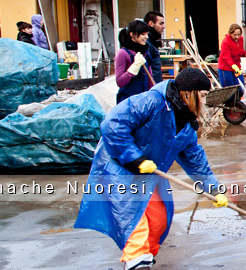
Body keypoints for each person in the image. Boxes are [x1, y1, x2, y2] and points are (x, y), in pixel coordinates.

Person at [74, 68, 229, 270]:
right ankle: (136, 259)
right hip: (121, 167)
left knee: (159, 219)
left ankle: (144, 256)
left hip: (150, 172)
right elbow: (112, 125)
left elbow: (195, 160)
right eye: (202, 96)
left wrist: (213, 189)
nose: (204, 102)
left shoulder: (186, 125)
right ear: (189, 93)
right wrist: (135, 158)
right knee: (133, 217)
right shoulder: (150, 102)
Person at [115, 20, 156, 104]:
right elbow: (120, 82)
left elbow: (149, 78)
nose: (146, 37)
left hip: (144, 100)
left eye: (147, 34)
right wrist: (135, 66)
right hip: (128, 102)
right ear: (132, 34)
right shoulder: (123, 53)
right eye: (143, 34)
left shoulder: (145, 53)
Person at [217, 23, 246, 107]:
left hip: (236, 67)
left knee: (241, 88)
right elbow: (226, 57)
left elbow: (240, 50)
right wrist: (233, 66)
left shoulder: (240, 39)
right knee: (229, 89)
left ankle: (236, 103)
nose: (237, 37)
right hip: (226, 68)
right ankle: (229, 108)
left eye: (239, 34)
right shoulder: (226, 42)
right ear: (230, 33)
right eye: (235, 35)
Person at [144, 11, 166, 83]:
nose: (164, 27)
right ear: (151, 24)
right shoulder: (147, 44)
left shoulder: (152, 41)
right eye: (161, 23)